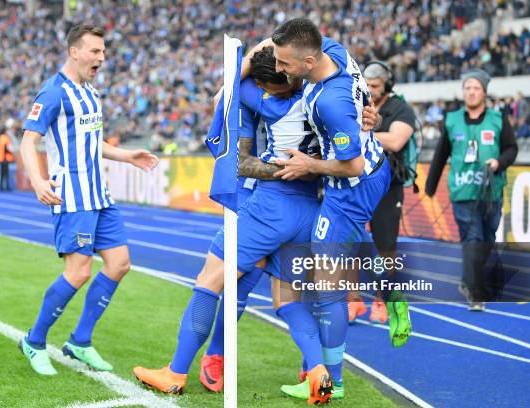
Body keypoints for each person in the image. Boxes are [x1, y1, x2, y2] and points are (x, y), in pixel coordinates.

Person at [134, 44, 380, 404]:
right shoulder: (321, 95)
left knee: (208, 281)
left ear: (275, 83)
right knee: (288, 300)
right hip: (311, 206)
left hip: (270, 205)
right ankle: (318, 372)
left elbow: (227, 93)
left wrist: (246, 60)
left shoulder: (268, 101)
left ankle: (174, 372)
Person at [266, 17, 412, 401]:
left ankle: (332, 382)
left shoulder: (330, 101)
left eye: (285, 64)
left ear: (310, 62)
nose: (279, 69)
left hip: (352, 185)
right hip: (373, 167)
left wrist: (307, 165)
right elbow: (362, 107)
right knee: (344, 253)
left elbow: (352, 166)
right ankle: (391, 291)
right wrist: (370, 114)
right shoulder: (334, 50)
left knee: (326, 284)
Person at [18, 24, 158, 376]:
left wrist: (127, 156)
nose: (102, 57)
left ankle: (80, 341)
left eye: (104, 51)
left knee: (120, 263)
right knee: (78, 272)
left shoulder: (91, 92)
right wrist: (37, 181)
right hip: (72, 197)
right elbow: (26, 141)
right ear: (75, 51)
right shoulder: (53, 92)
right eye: (95, 51)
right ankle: (34, 341)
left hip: (100, 194)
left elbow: (91, 142)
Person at [425, 68, 518, 311]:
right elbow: (440, 154)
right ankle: (476, 293)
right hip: (462, 191)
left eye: (476, 88)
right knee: (473, 237)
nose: (471, 92)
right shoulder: (451, 119)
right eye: (467, 88)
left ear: (484, 92)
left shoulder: (498, 120)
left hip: (491, 193)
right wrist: (430, 185)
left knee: (487, 238)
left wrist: (499, 162)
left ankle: (470, 281)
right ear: (463, 91)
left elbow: (511, 149)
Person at [344, 61, 417, 324]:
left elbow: (397, 141)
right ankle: (354, 300)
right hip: (357, 181)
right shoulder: (355, 101)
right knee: (351, 242)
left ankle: (382, 300)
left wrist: (363, 133)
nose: (370, 90)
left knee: (386, 246)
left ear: (387, 84)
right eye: (367, 84)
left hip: (388, 185)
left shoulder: (401, 109)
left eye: (375, 85)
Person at [0, 120, 15, 191]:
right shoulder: (6, 138)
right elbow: (8, 148)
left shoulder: (0, 137)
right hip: (5, 158)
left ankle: (1, 186)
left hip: (0, 158)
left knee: (2, 173)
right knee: (6, 174)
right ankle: (7, 187)